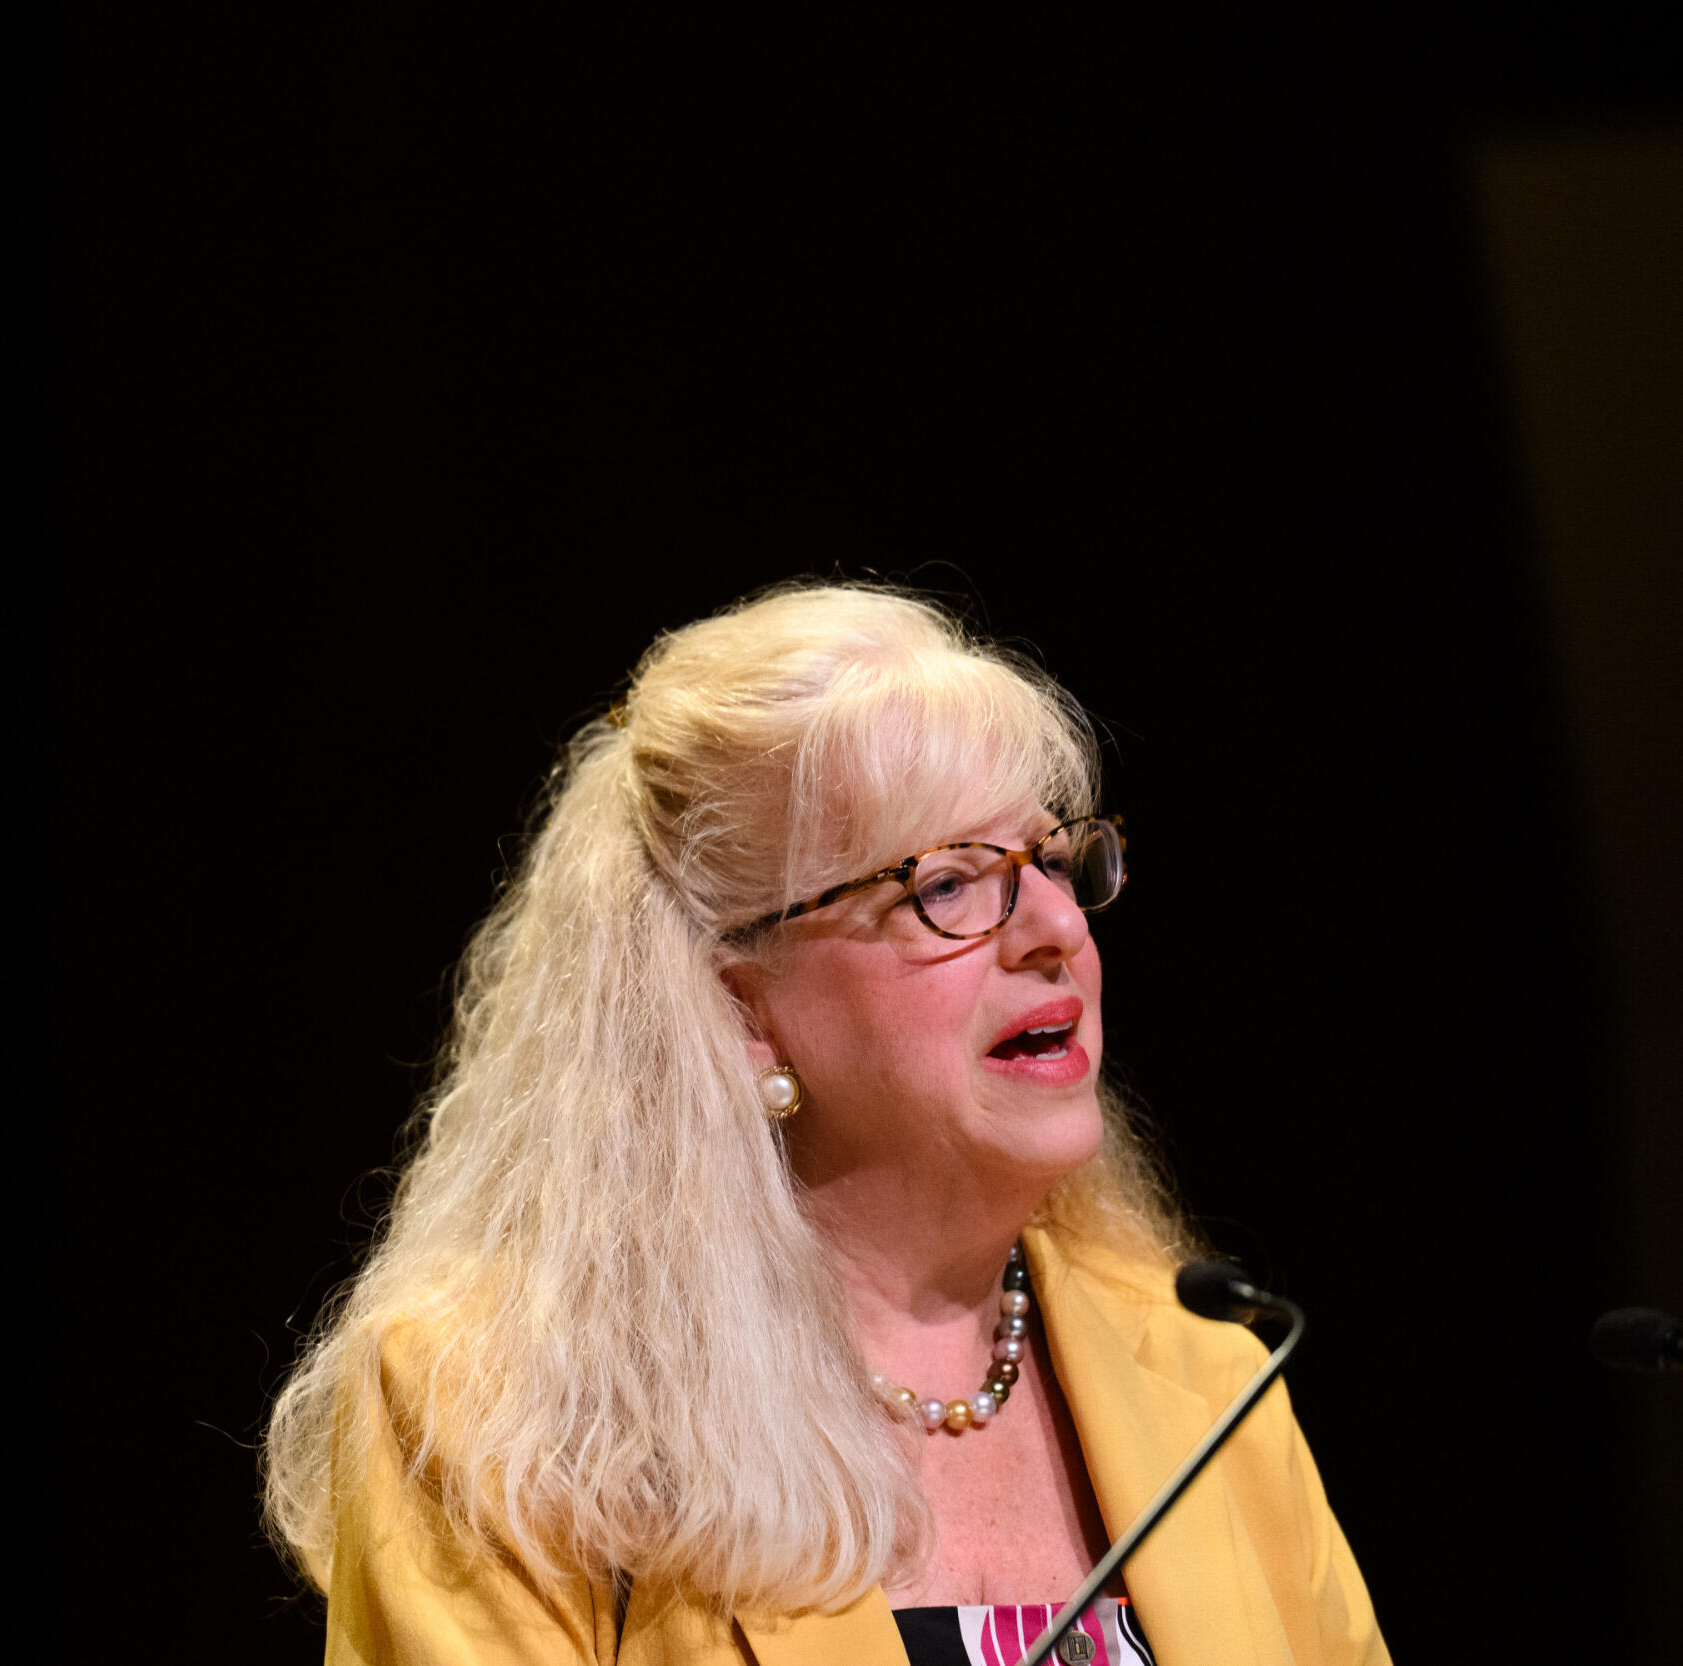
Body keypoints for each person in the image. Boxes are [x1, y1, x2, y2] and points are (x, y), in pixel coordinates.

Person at [264, 584, 1387, 1666]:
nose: (1054, 926)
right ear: (741, 1011)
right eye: (945, 885)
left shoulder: (1210, 1377)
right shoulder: (495, 1417)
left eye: (1052, 860)